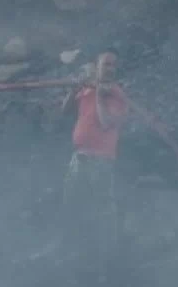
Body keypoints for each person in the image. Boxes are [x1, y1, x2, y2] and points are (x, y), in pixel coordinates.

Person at [59, 49, 129, 283]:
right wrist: (72, 90)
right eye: (106, 64)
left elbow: (107, 123)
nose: (110, 68)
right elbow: (64, 113)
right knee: (72, 207)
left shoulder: (117, 94)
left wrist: (100, 96)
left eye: (113, 65)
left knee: (103, 215)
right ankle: (75, 260)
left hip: (101, 161)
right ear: (96, 67)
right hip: (79, 159)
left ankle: (106, 268)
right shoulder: (87, 88)